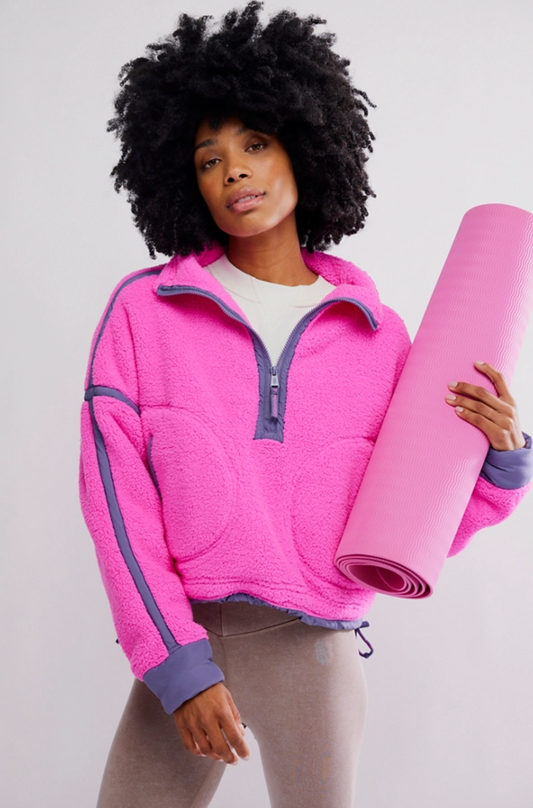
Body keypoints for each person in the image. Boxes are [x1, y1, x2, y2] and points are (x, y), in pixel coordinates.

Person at [79, 3, 532, 806]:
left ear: (305, 144)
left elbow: (409, 533)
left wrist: (496, 461)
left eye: (254, 144)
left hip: (314, 651)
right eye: (208, 158)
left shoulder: (380, 336)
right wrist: (179, 667)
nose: (234, 173)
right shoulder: (143, 314)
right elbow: (117, 507)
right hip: (184, 639)